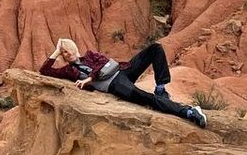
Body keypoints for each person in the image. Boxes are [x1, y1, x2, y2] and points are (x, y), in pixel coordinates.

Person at [39, 38, 207, 127]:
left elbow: (103, 63)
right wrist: (56, 51)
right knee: (147, 99)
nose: (67, 54)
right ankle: (189, 112)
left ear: (74, 49)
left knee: (155, 48)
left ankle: (161, 87)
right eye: (64, 53)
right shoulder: (68, 71)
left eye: (68, 50)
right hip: (115, 85)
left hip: (123, 70)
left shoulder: (89, 55)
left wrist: (90, 78)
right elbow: (44, 70)